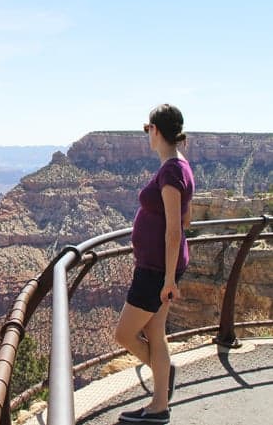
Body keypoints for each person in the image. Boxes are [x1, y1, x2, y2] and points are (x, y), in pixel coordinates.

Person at [115, 103, 195, 424]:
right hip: (160, 268)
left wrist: (169, 280)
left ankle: (161, 383)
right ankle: (159, 403)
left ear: (157, 130)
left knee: (124, 334)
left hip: (157, 272)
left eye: (147, 128)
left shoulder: (172, 171)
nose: (147, 134)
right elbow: (186, 219)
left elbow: (175, 230)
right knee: (155, 333)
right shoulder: (179, 166)